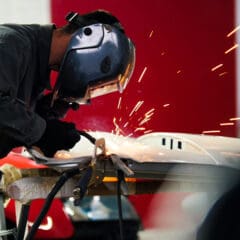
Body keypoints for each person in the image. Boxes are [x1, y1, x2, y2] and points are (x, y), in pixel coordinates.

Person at [0, 10, 135, 158]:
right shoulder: (10, 44)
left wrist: (41, 112)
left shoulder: (35, 60)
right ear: (87, 42)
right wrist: (43, 132)